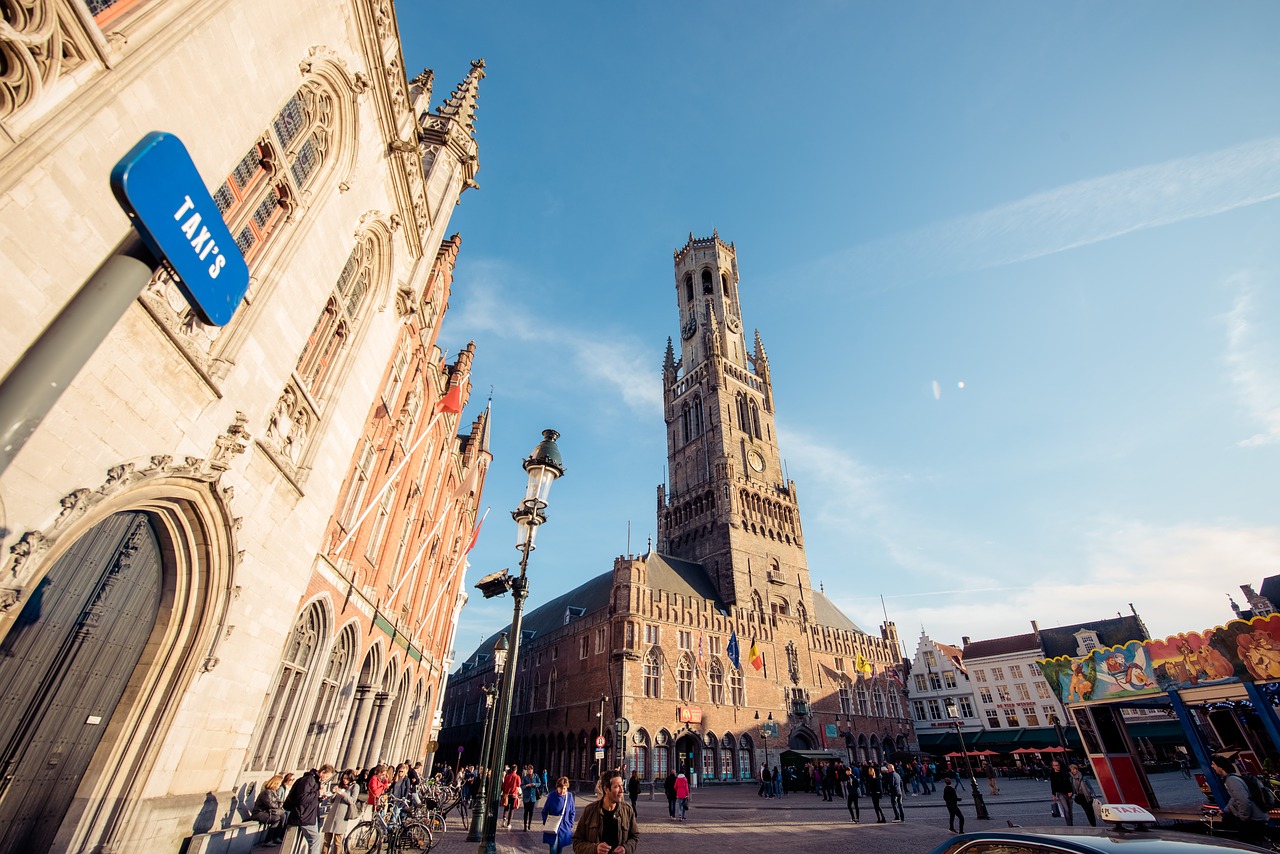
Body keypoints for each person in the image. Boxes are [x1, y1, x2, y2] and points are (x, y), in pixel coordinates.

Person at [572, 770, 639, 854]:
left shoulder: (627, 810)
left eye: (622, 786)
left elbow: (634, 837)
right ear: (606, 789)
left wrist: (626, 849)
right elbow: (577, 842)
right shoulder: (590, 811)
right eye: (616, 787)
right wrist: (595, 849)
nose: (622, 790)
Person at [1211, 753, 1268, 844]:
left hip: (1253, 819)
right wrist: (1225, 810)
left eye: (1213, 764)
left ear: (1220, 766)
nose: (1212, 766)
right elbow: (1234, 798)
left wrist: (1243, 818)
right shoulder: (1234, 777)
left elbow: (1243, 800)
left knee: (1247, 845)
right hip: (1256, 816)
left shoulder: (1231, 780)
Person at [281, 764, 335, 854]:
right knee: (315, 839)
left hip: (307, 814)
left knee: (314, 839)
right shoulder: (309, 779)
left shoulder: (314, 780)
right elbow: (302, 798)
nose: (327, 779)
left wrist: (320, 797)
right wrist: (318, 792)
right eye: (327, 776)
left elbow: (310, 799)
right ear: (322, 772)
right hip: (304, 815)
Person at [320, 769, 361, 854]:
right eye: (344, 778)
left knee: (337, 841)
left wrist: (343, 794)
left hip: (342, 816)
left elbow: (352, 800)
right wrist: (333, 793)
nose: (345, 780)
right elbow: (332, 800)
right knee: (326, 840)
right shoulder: (341, 785)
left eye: (347, 779)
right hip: (332, 814)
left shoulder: (355, 786)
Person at [250, 774, 287, 845]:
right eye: (279, 783)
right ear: (275, 783)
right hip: (259, 813)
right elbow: (270, 804)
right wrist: (279, 805)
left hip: (268, 812)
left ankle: (276, 837)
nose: (280, 785)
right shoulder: (267, 792)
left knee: (283, 815)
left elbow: (278, 802)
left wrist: (279, 805)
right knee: (276, 819)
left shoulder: (274, 792)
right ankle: (268, 840)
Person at [543, 776, 577, 854]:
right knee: (553, 848)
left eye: (564, 789)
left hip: (564, 827)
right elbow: (544, 811)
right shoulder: (552, 796)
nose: (562, 791)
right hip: (553, 827)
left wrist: (570, 824)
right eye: (561, 788)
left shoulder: (569, 796)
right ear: (557, 787)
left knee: (560, 849)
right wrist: (546, 822)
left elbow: (572, 812)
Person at [1048, 759, 1074, 825]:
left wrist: (1071, 791)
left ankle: (1071, 823)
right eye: (1056, 765)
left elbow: (1068, 783)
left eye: (1058, 765)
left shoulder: (1063, 773)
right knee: (1066, 809)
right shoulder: (1052, 775)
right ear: (1053, 766)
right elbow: (1053, 785)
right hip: (1060, 793)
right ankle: (1069, 825)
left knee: (1070, 811)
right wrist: (1053, 794)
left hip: (1068, 793)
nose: (1058, 766)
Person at [502, 764, 522, 829]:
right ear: (516, 770)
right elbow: (518, 785)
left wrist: (504, 792)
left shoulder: (507, 776)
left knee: (506, 807)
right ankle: (509, 823)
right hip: (514, 795)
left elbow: (504, 785)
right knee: (512, 809)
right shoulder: (517, 777)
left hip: (507, 794)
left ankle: (504, 819)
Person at [524, 764, 541, 831]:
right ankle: (525, 825)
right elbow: (522, 786)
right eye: (528, 770)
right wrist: (526, 785)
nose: (529, 771)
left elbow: (539, 783)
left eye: (531, 770)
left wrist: (535, 784)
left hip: (533, 797)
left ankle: (529, 824)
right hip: (526, 797)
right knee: (526, 811)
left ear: (532, 770)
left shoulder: (535, 776)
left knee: (531, 811)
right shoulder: (525, 777)